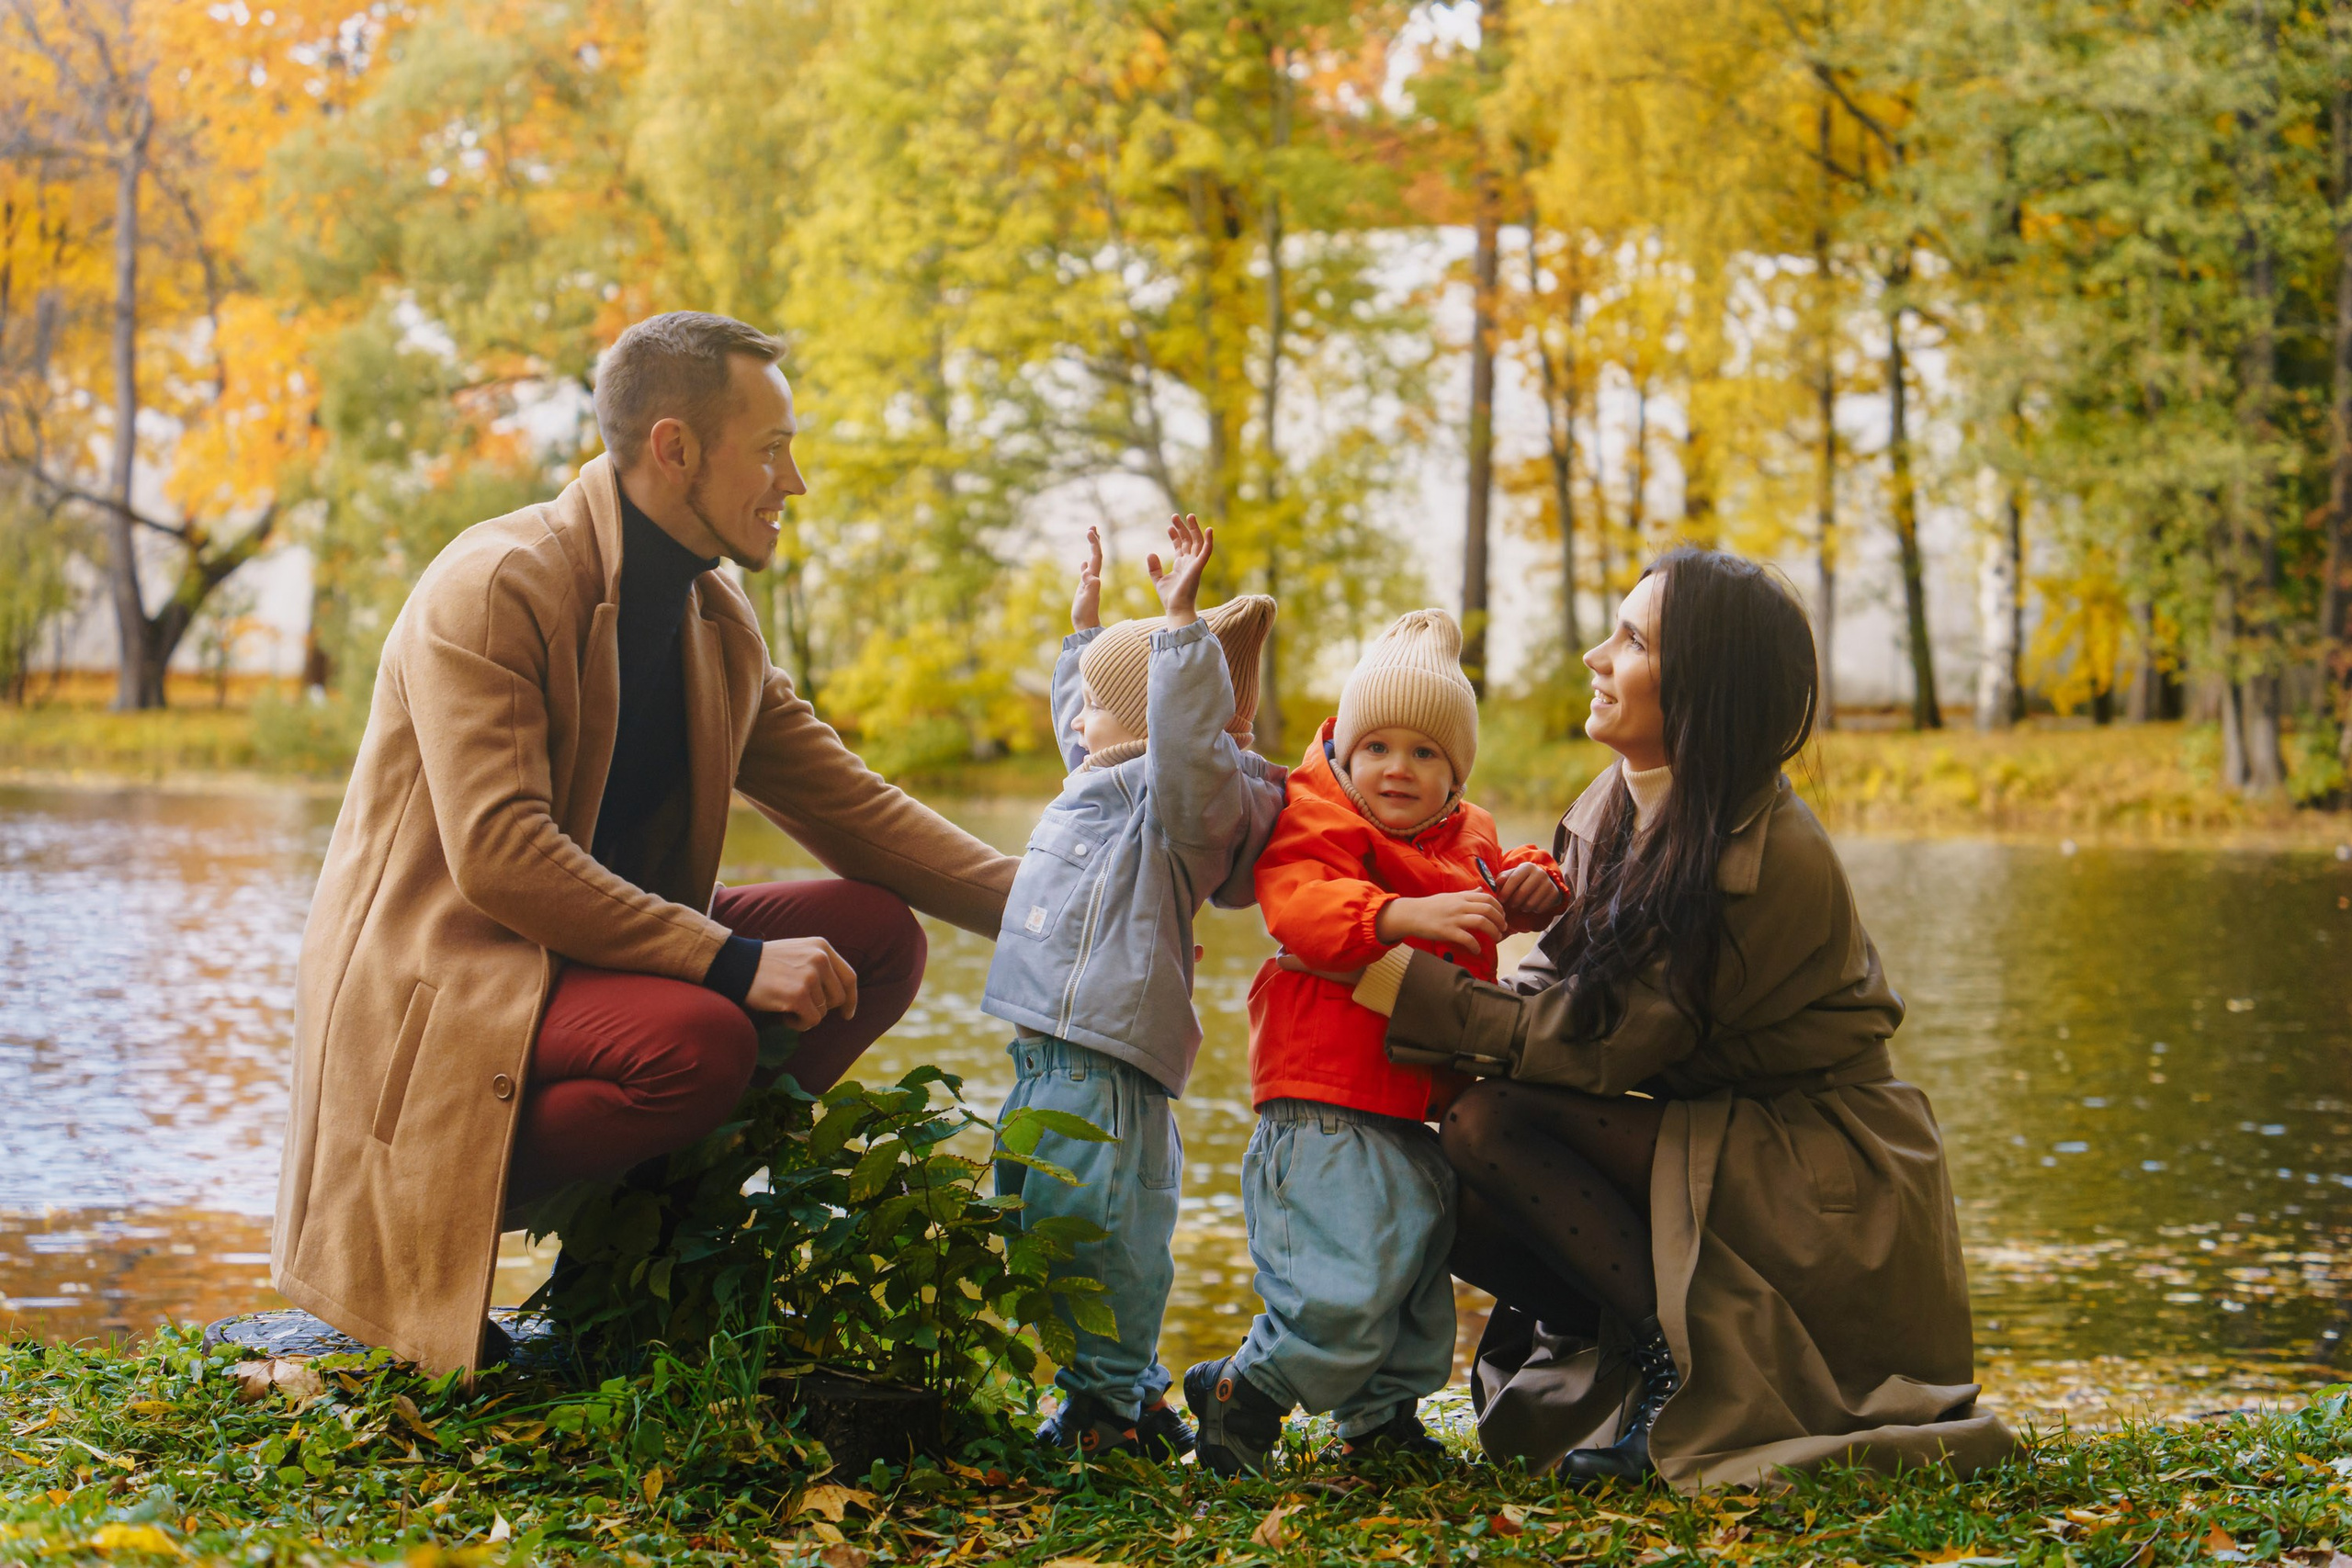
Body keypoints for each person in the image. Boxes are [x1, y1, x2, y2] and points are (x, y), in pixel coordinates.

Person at [273, 311, 1020, 1376]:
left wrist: (1054, 910)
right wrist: (733, 963)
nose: (792, 482)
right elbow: (501, 852)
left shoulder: (718, 622)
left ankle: (629, 1262)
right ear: (674, 449)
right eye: (769, 450)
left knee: (873, 937)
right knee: (700, 1039)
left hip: (598, 969)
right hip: (449, 989)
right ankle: (441, 1214)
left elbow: (850, 805)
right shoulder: (494, 587)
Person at [1362, 548, 2016, 1491]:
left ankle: (1679, 1379)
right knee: (1431, 1170)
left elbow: (1600, 1043)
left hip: (1814, 1165)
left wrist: (1393, 983)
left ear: (1703, 683)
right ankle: (1612, 1353)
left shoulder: (1767, 855)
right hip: (1715, 1134)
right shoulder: (1616, 801)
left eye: (1629, 639)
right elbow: (1551, 983)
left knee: (1484, 1121)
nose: (1596, 655)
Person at [1183, 609, 1565, 1475]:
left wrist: (1537, 880)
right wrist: (1398, 913)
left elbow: (1499, 875)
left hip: (1415, 1105)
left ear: (1455, 771)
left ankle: (1380, 1420)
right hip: (1322, 1101)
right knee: (1341, 1285)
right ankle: (1246, 1392)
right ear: (1347, 755)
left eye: (1427, 753)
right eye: (1379, 747)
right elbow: (1303, 907)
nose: (1400, 767)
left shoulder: (1468, 836)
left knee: (1413, 1285)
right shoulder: (1319, 819)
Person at [982, 514, 1287, 1461]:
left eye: (1093, 702)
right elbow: (1100, 725)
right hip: (1045, 1048)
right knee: (1039, 1213)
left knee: (1097, 1229)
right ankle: (1137, 1395)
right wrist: (1086, 629)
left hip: (1107, 1054)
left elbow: (1192, 758)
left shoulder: (1178, 811)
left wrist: (1179, 630)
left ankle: (1105, 1410)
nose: (1071, 720)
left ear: (1155, 713)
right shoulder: (1104, 782)